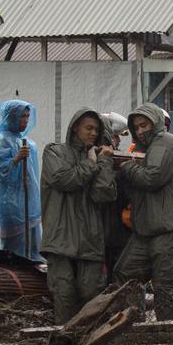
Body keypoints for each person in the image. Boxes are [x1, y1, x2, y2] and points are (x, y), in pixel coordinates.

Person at [115, 102, 173, 320]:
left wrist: (126, 167)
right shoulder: (144, 151)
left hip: (172, 227)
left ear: (157, 123)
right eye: (138, 127)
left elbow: (153, 178)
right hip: (149, 229)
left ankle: (167, 334)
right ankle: (131, 323)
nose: (142, 131)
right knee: (126, 273)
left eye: (145, 125)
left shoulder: (166, 142)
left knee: (164, 285)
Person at [40, 108, 117, 323]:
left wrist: (103, 162)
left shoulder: (98, 157)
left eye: (96, 130)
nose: (93, 133)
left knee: (91, 293)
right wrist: (90, 164)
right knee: (64, 293)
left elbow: (104, 193)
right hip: (60, 236)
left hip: (90, 238)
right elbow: (64, 180)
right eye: (88, 128)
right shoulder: (54, 152)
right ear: (75, 127)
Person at [0, 99, 42, 259]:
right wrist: (16, 159)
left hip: (28, 204)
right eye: (21, 116)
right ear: (11, 117)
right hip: (12, 206)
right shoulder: (1, 141)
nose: (25, 120)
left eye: (27, 116)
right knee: (16, 252)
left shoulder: (28, 143)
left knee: (34, 248)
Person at [100, 113, 132, 281]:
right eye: (115, 136)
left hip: (117, 229)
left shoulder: (120, 161)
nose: (118, 140)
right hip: (105, 229)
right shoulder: (100, 160)